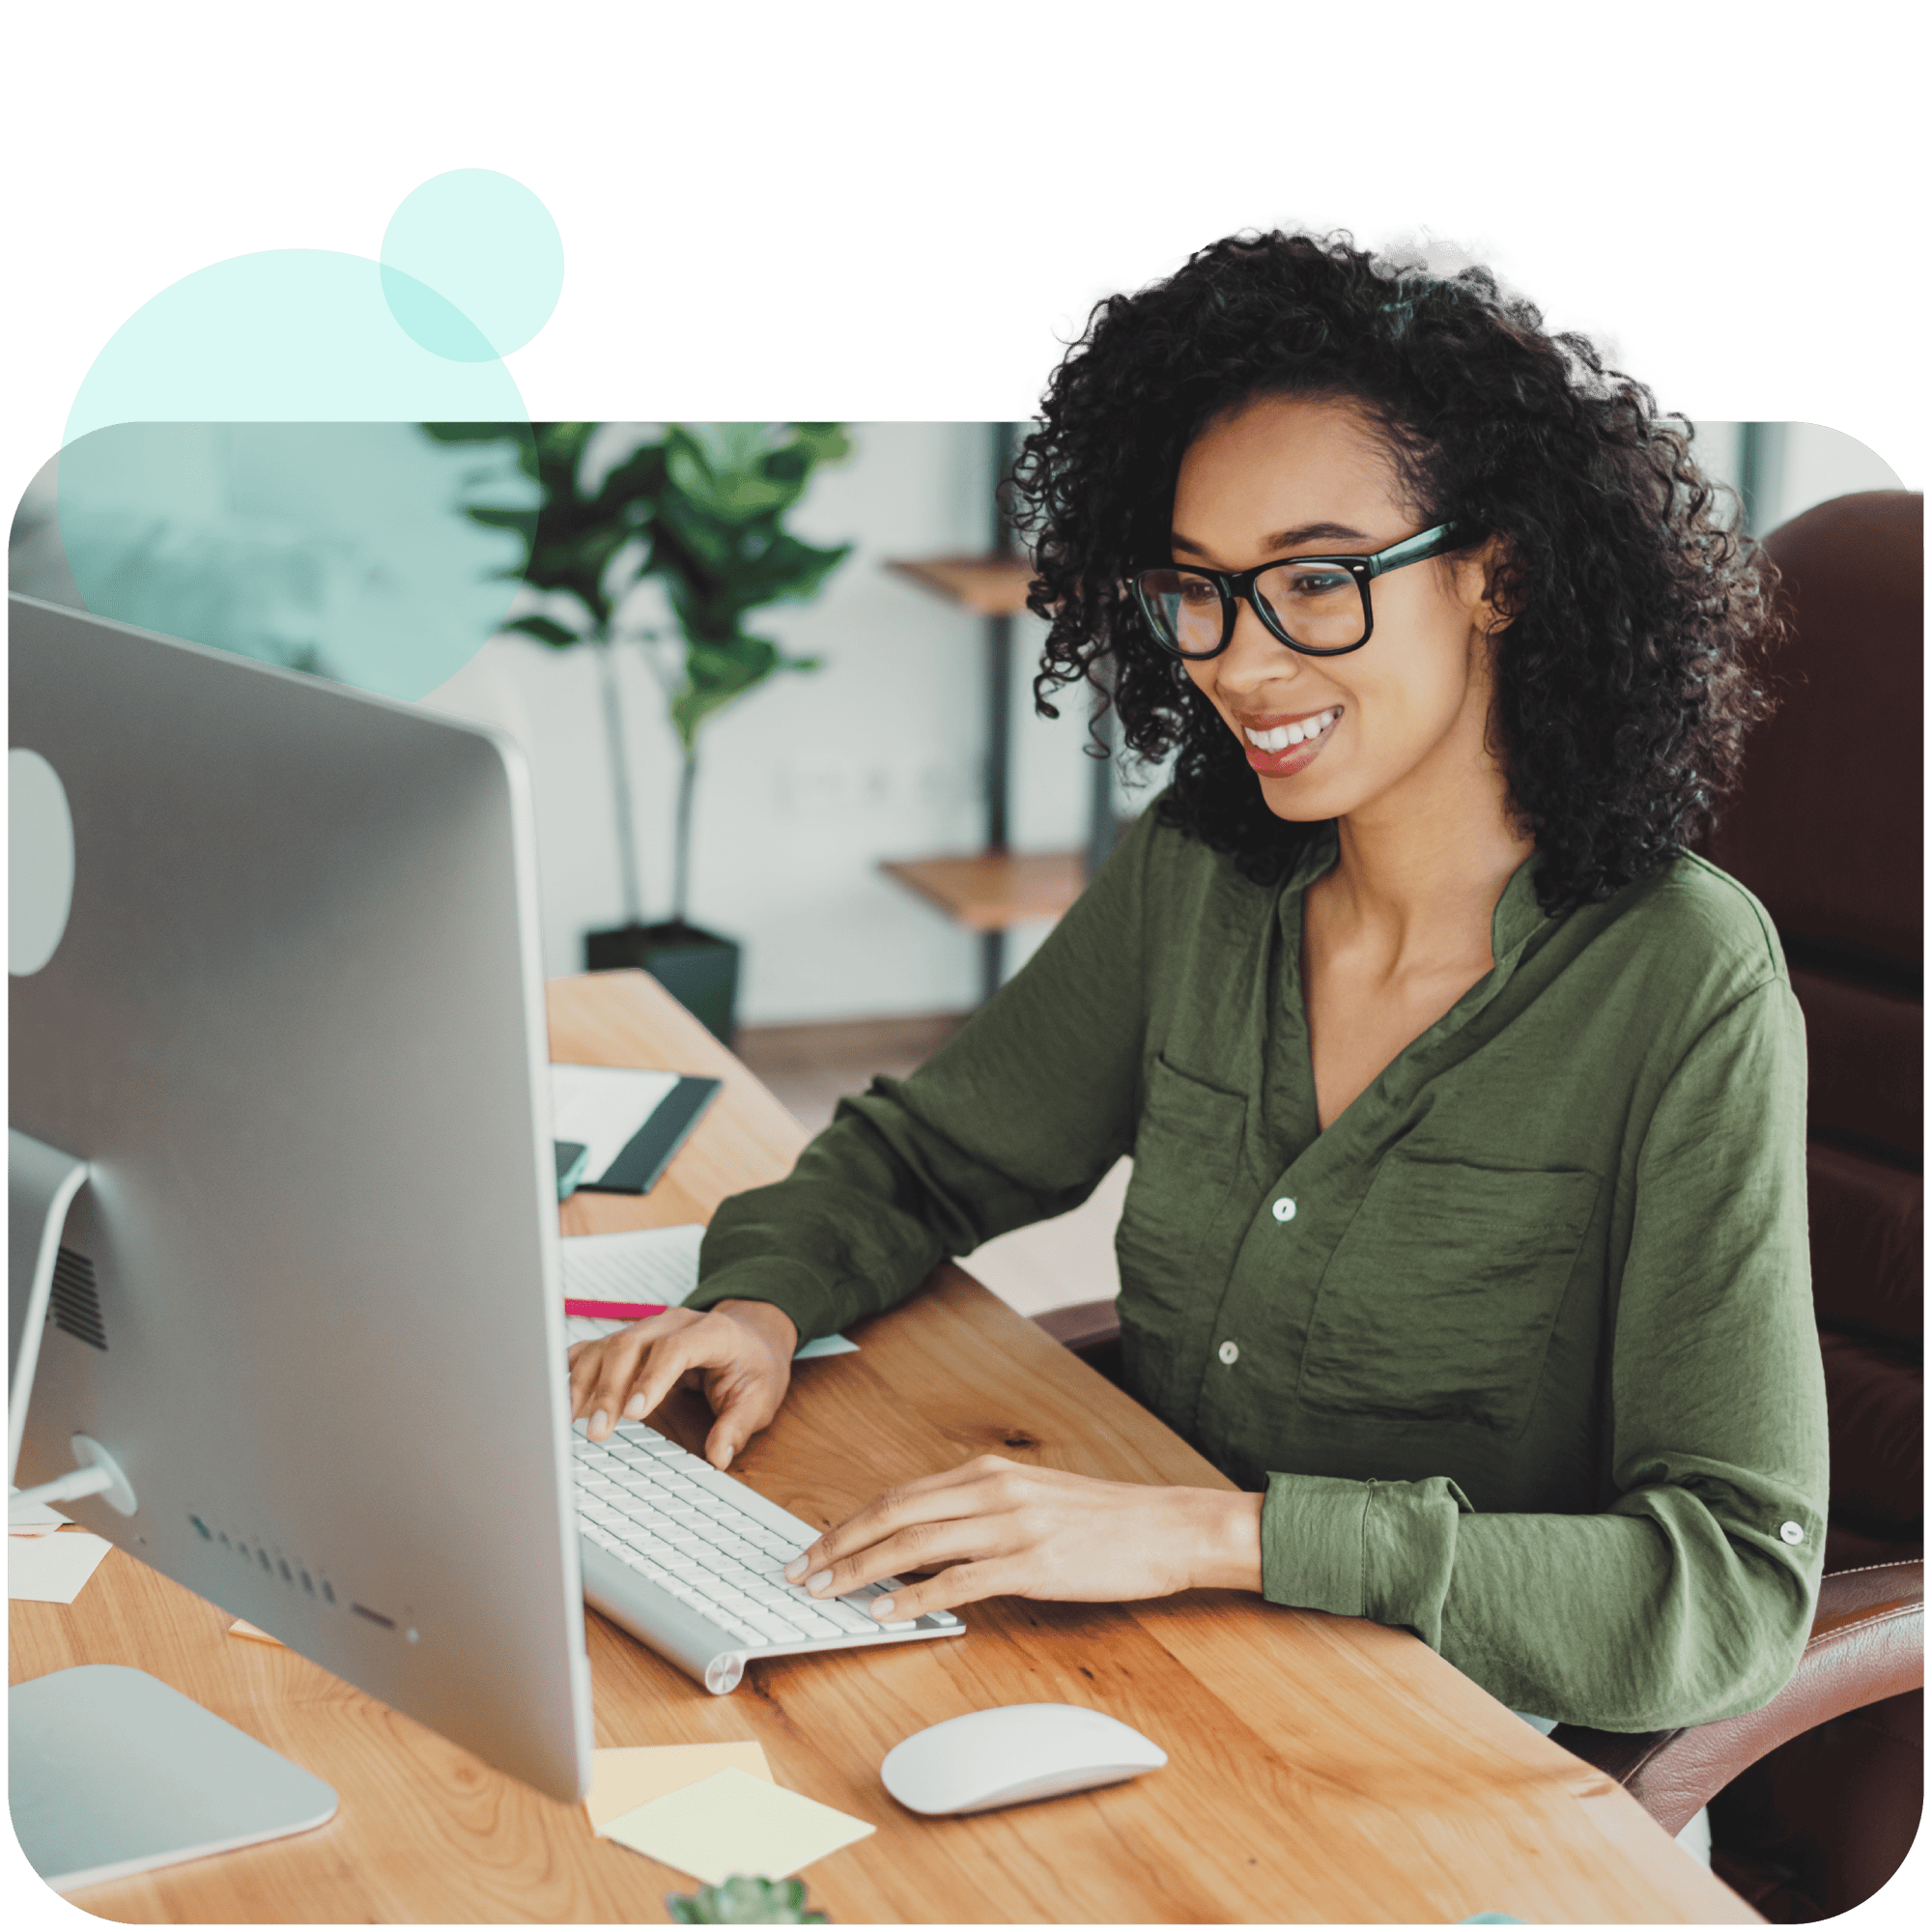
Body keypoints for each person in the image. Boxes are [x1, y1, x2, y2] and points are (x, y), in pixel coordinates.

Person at [567, 212, 1828, 1731]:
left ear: (1496, 574)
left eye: (1317, 580)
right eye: (1199, 589)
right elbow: (929, 1159)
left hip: (1439, 1732)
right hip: (1148, 1657)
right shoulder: (1206, 873)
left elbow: (1732, 1589)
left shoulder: (1681, 979)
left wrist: (1217, 1537)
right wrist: (762, 1303)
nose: (1236, 659)